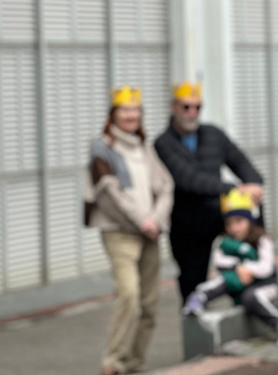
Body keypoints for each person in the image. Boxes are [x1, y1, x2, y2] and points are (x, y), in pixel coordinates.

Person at [86, 86, 174, 375]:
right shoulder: (102, 149)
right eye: (125, 110)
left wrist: (156, 220)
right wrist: (143, 221)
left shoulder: (143, 147)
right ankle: (113, 362)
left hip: (149, 232)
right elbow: (109, 193)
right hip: (120, 233)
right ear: (114, 114)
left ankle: (135, 363)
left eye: (135, 110)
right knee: (129, 296)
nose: (131, 115)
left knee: (149, 303)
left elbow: (166, 186)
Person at [154, 82, 264, 303]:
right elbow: (188, 179)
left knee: (254, 214)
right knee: (192, 282)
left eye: (197, 107)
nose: (192, 112)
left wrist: (253, 183)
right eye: (186, 107)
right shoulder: (163, 143)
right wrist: (234, 189)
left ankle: (259, 290)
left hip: (218, 214)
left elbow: (240, 161)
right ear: (173, 106)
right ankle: (195, 322)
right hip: (188, 224)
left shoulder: (213, 133)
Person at [182, 189, 278, 343]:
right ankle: (199, 298)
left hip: (264, 284)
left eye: (239, 221)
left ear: (249, 220)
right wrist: (239, 269)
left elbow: (266, 267)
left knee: (251, 297)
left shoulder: (262, 239)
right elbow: (219, 263)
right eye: (229, 223)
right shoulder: (223, 242)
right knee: (224, 281)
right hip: (237, 282)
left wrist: (247, 269)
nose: (234, 228)